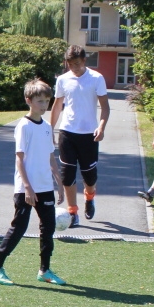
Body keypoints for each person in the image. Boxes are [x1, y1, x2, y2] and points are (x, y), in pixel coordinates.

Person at [0, 79, 66, 286]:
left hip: (45, 187)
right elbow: (19, 158)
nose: (44, 105)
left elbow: (50, 156)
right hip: (26, 189)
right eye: (40, 101)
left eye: (47, 101)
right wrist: (28, 188)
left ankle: (45, 270)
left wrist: (58, 181)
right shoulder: (24, 126)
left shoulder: (48, 127)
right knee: (19, 227)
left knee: (48, 229)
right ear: (28, 100)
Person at [49, 45, 109, 227]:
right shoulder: (63, 80)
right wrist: (50, 129)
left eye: (77, 63)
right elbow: (57, 105)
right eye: (70, 64)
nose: (74, 67)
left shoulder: (96, 78)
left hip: (89, 134)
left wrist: (101, 127)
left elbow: (105, 107)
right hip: (67, 132)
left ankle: (89, 198)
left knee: (89, 176)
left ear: (84, 61)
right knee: (67, 175)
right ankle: (73, 212)